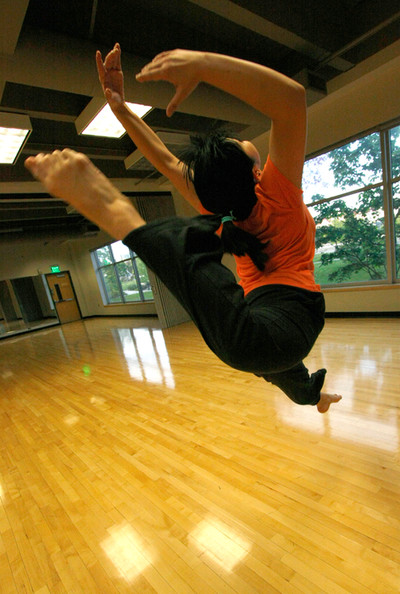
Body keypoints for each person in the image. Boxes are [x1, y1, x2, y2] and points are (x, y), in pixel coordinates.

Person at [25, 44, 342, 413]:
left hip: (282, 315)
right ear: (256, 172)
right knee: (276, 365)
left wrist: (121, 108)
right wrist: (204, 65)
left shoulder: (216, 207)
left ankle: (119, 215)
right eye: (240, 144)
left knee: (263, 355)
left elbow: (163, 159)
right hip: (269, 314)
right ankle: (314, 396)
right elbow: (291, 98)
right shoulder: (276, 192)